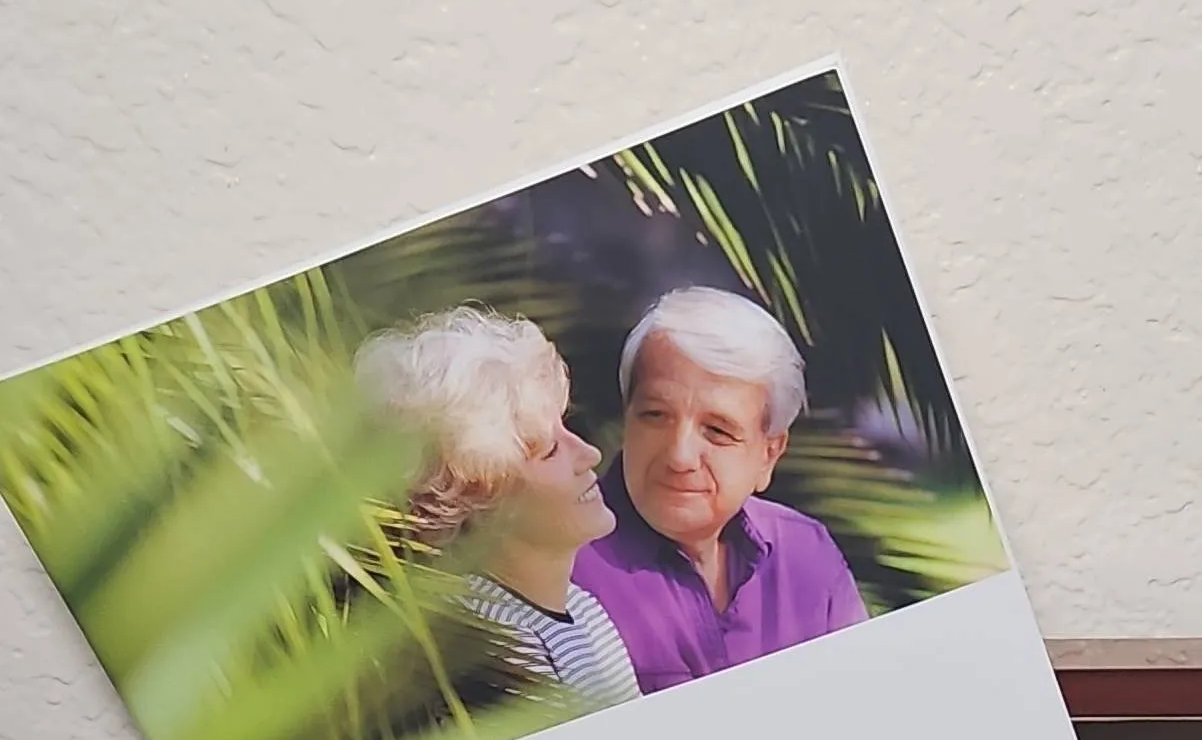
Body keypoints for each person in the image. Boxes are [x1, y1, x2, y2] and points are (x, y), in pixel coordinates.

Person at [572, 286, 866, 693]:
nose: (680, 456)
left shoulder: (806, 552)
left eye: (717, 431)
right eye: (655, 415)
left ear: (769, 454)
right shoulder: (559, 566)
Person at [354, 308, 639, 714]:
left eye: (566, 427)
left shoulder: (582, 610)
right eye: (549, 450)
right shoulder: (489, 655)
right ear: (473, 496)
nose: (588, 454)